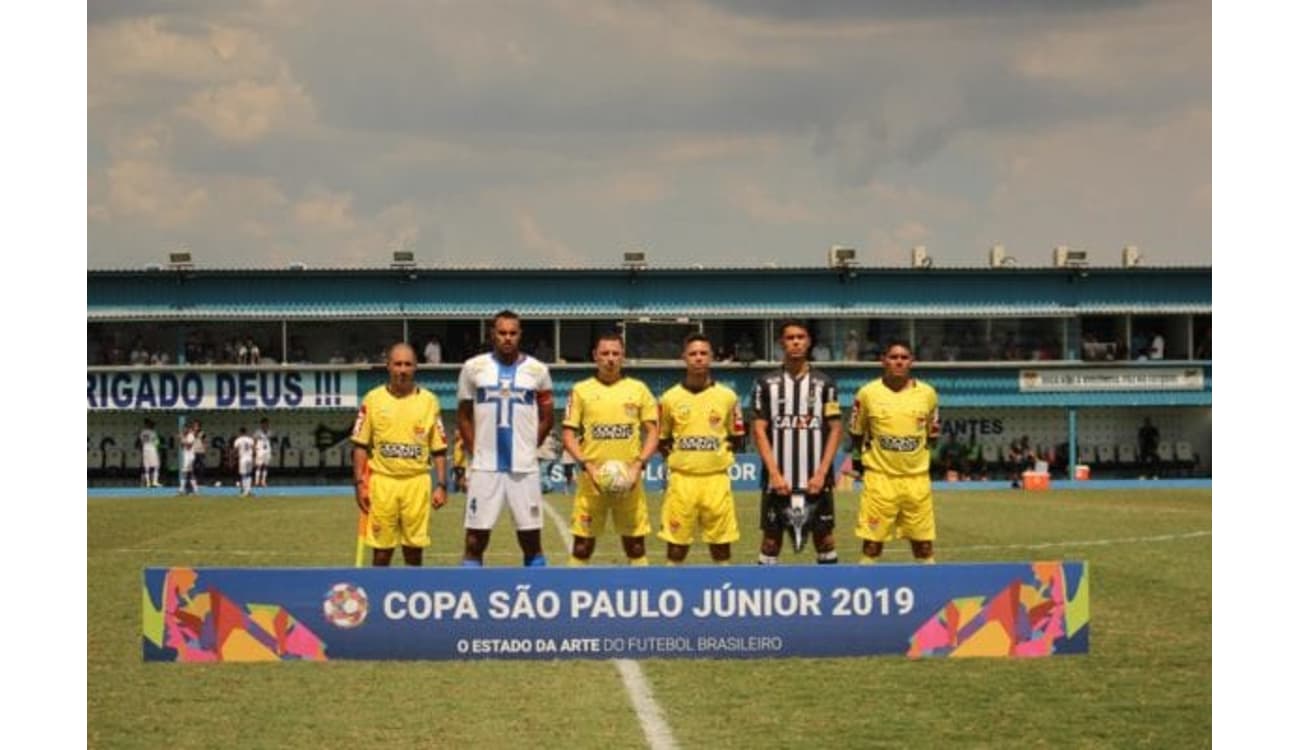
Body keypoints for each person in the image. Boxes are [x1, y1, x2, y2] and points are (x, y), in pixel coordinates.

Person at [457, 310, 555, 567]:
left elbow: (547, 417)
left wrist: (527, 447)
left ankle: (535, 599)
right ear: (492, 334)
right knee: (475, 541)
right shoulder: (472, 368)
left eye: (512, 333)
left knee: (531, 540)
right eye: (502, 333)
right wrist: (474, 451)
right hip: (485, 467)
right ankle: (471, 598)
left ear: (520, 335)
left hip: (524, 468)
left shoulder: (538, 370)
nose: (507, 338)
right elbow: (464, 416)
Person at [563, 333, 660, 567]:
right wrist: (587, 465)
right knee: (582, 546)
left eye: (615, 353)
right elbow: (568, 434)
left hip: (630, 482)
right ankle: (575, 596)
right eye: (605, 353)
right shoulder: (581, 390)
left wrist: (638, 465)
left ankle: (640, 596)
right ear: (595, 356)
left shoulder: (638, 389)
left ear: (623, 357)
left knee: (635, 546)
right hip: (591, 481)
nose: (610, 359)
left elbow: (654, 432)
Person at [751, 320, 843, 565]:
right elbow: (759, 430)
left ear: (809, 341)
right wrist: (774, 474)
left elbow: (835, 429)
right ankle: (766, 596)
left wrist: (822, 473)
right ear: (782, 343)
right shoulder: (766, 384)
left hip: (816, 480)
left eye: (801, 337)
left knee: (824, 540)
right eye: (790, 338)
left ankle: (827, 594)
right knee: (771, 542)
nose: (795, 342)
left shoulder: (825, 384)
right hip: (777, 481)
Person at [351, 342, 449, 567]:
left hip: (417, 483)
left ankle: (411, 597)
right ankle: (379, 597)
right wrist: (359, 484)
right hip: (383, 484)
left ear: (415, 367)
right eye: (397, 364)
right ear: (388, 366)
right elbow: (359, 446)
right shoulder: (372, 400)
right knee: (382, 553)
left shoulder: (429, 401)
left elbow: (440, 448)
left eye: (407, 364)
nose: (402, 370)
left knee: (414, 552)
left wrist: (442, 485)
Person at [848, 340, 940, 564]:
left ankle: (930, 594)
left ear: (911, 362)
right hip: (880, 479)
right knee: (871, 545)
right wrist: (859, 460)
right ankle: (866, 591)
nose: (899, 362)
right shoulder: (867, 393)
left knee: (924, 545)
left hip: (916, 480)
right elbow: (856, 432)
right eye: (893, 357)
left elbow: (933, 435)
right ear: (883, 361)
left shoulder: (927, 393)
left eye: (904, 357)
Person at [658, 333, 745, 565]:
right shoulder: (669, 398)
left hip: (716, 480)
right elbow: (662, 439)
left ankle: (723, 595)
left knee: (720, 547)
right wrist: (682, 460)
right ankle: (672, 594)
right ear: (684, 358)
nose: (698, 358)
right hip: (682, 481)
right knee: (676, 547)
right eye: (693, 354)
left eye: (703, 353)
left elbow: (737, 438)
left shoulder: (728, 397)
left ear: (712, 357)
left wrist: (714, 458)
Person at [232, 427, 256, 497]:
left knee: (243, 475)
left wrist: (233, 458)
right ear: (246, 432)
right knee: (249, 474)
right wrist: (254, 458)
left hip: (243, 458)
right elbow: (254, 449)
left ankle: (245, 492)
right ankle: (248, 491)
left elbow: (235, 450)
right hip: (250, 458)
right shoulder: (250, 439)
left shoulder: (238, 440)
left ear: (240, 432)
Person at [138, 418, 162, 487]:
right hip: (152, 448)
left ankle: (148, 483)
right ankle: (154, 482)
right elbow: (157, 442)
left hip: (145, 448)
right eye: (152, 424)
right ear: (149, 424)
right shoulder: (153, 432)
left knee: (146, 467)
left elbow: (141, 441)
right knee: (156, 466)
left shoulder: (142, 432)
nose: (153, 425)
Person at [177, 423, 198, 495]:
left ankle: (181, 489)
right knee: (190, 473)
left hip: (190, 456)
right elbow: (182, 446)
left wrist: (182, 439)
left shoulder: (191, 435)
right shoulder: (185, 436)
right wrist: (181, 440)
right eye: (183, 429)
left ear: (188, 429)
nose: (184, 430)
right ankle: (195, 489)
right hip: (186, 456)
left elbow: (189, 445)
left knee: (185, 472)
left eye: (185, 429)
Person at [253, 418, 273, 487]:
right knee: (258, 466)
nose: (266, 425)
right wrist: (255, 450)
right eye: (264, 423)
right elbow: (254, 440)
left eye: (267, 424)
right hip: (260, 450)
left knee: (266, 466)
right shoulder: (258, 432)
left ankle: (263, 482)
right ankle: (256, 482)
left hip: (267, 450)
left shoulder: (270, 432)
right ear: (261, 424)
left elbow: (269, 440)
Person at [191, 420, 208, 487]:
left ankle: (201, 481)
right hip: (193, 452)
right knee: (193, 467)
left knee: (201, 467)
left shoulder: (202, 433)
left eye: (197, 425)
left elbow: (205, 441)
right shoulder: (191, 433)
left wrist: (205, 449)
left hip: (200, 452)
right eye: (195, 425)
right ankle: (193, 481)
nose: (196, 427)